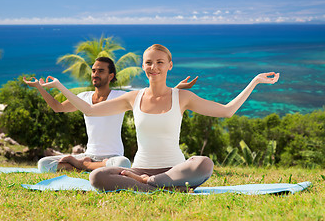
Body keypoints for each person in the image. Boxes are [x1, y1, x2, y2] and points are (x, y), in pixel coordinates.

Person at [38, 44, 280, 191]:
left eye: (159, 62)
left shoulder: (182, 97)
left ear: (170, 65)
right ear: (143, 66)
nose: (153, 67)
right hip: (140, 167)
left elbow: (227, 111)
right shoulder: (133, 98)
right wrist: (59, 86)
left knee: (204, 163)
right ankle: (158, 185)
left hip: (175, 168)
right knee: (97, 176)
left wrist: (255, 81)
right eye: (148, 62)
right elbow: (89, 110)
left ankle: (150, 184)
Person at [23, 57, 198, 173]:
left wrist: (177, 89)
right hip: (89, 155)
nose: (95, 74)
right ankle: (85, 164)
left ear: (111, 75)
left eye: (100, 71)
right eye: (93, 70)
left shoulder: (120, 97)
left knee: (123, 164)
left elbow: (152, 98)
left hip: (112, 158)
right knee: (43, 164)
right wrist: (39, 87)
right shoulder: (83, 98)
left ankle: (81, 166)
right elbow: (57, 107)